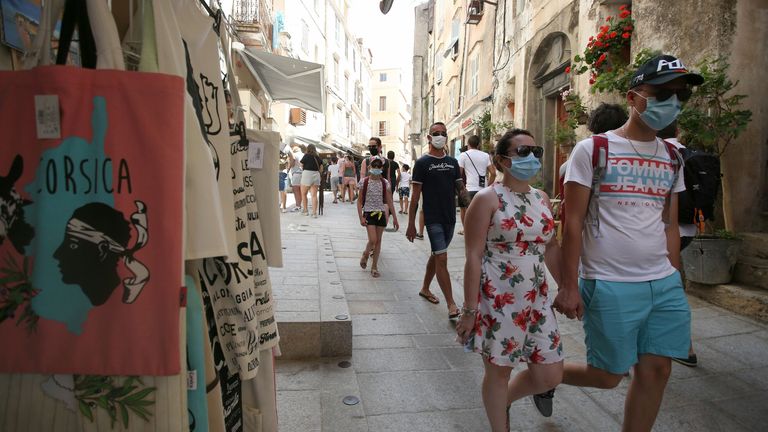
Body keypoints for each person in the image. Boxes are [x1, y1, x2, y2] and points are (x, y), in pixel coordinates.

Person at [552, 54, 702, 430]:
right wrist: (569, 285)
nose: (673, 102)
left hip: (661, 283)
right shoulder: (593, 150)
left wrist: (674, 278)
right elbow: (572, 223)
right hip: (609, 282)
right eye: (662, 92)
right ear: (634, 97)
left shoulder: (672, 156)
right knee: (607, 375)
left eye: (680, 95)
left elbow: (670, 224)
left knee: (657, 371)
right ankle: (541, 377)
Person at [456, 129, 563, 432]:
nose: (531, 157)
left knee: (550, 374)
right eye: (522, 152)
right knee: (498, 373)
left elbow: (552, 245)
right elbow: (474, 256)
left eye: (536, 151)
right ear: (502, 160)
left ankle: (502, 402)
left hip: (537, 298)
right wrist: (469, 310)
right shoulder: (487, 199)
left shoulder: (541, 198)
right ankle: (499, 423)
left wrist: (569, 287)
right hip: (497, 298)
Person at [406, 121, 469, 319]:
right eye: (436, 133)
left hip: (450, 218)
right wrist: (411, 224)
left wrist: (476, 206)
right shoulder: (422, 163)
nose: (440, 135)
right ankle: (451, 304)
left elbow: (461, 189)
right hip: (432, 218)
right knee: (442, 258)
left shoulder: (452, 162)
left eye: (443, 133)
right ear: (429, 137)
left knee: (436, 255)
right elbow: (415, 196)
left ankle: (425, 288)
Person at [657, 120, 698, 368]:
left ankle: (684, 345)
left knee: (666, 288)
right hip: (688, 228)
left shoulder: (662, 154)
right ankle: (686, 347)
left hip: (664, 232)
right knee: (671, 285)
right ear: (677, 131)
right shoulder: (684, 152)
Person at [357, 156, 399, 278]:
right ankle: (365, 253)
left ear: (382, 168)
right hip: (369, 213)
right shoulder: (364, 182)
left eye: (378, 166)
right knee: (373, 240)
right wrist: (361, 217)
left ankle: (374, 266)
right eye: (373, 166)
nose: (376, 168)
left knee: (379, 241)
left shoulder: (384, 183)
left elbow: (389, 201)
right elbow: (359, 202)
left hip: (381, 213)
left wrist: (395, 218)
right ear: (369, 167)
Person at [458, 135, 496, 235]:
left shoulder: (463, 155)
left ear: (468, 144)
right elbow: (493, 173)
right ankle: (482, 231)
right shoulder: (486, 155)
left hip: (469, 189)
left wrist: (461, 187)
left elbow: (459, 174)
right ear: (479, 145)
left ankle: (466, 230)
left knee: (465, 210)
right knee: (483, 212)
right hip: (483, 190)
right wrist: (488, 186)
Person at [299, 144, 323, 218]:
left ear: (307, 149)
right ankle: (314, 213)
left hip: (307, 174)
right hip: (316, 175)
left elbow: (301, 165)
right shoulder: (317, 157)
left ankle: (306, 211)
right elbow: (321, 168)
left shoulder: (306, 156)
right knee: (314, 195)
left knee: (303, 193)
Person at [287, 145, 305, 212]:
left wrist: (288, 169)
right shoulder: (303, 155)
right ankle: (302, 205)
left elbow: (292, 162)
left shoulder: (293, 154)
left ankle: (298, 206)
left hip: (296, 174)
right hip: (304, 174)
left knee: (296, 190)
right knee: (302, 191)